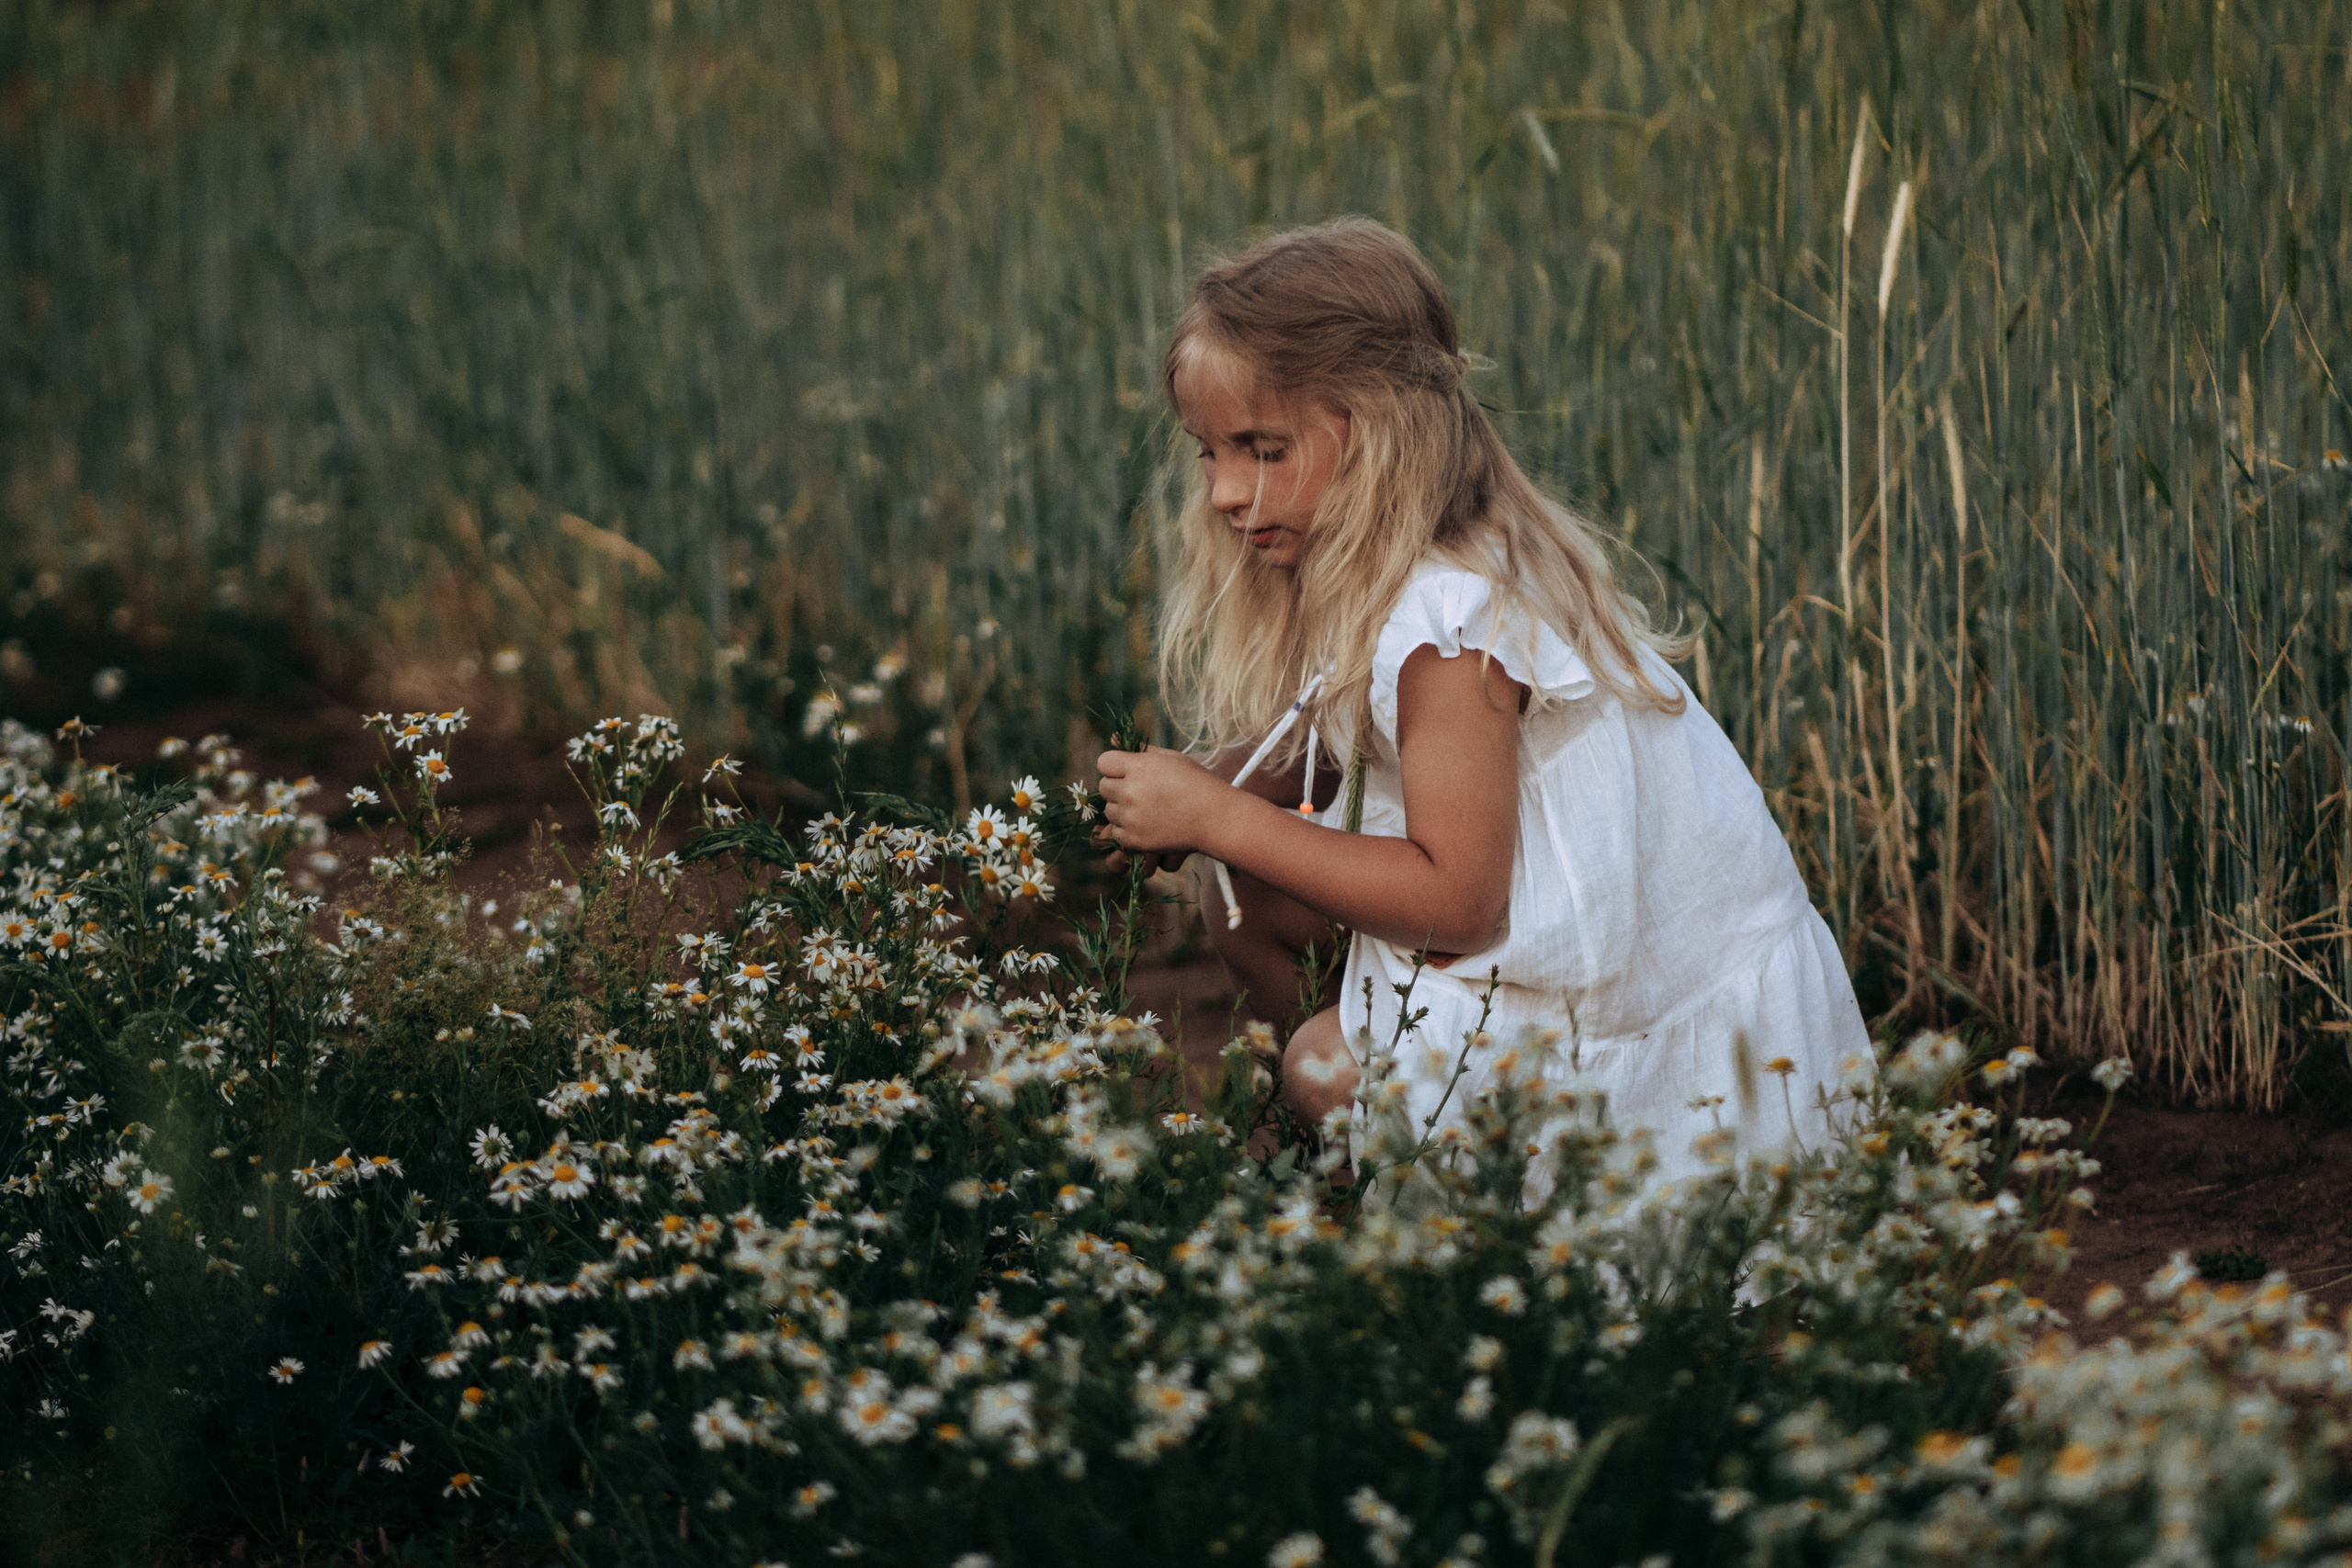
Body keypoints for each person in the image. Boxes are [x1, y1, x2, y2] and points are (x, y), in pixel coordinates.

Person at [1095, 218, 1867, 1190]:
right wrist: (1226, 780)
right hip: (1573, 946)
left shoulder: (1449, 618)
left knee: (1315, 1060)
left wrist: (1218, 816)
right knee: (1243, 895)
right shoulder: (1414, 558)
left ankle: (1445, 1185)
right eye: (1209, 453)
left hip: (1630, 1012)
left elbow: (1459, 902)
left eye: (1262, 448)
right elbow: (1353, 732)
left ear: (1379, 433)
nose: (1221, 492)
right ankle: (1367, 1169)